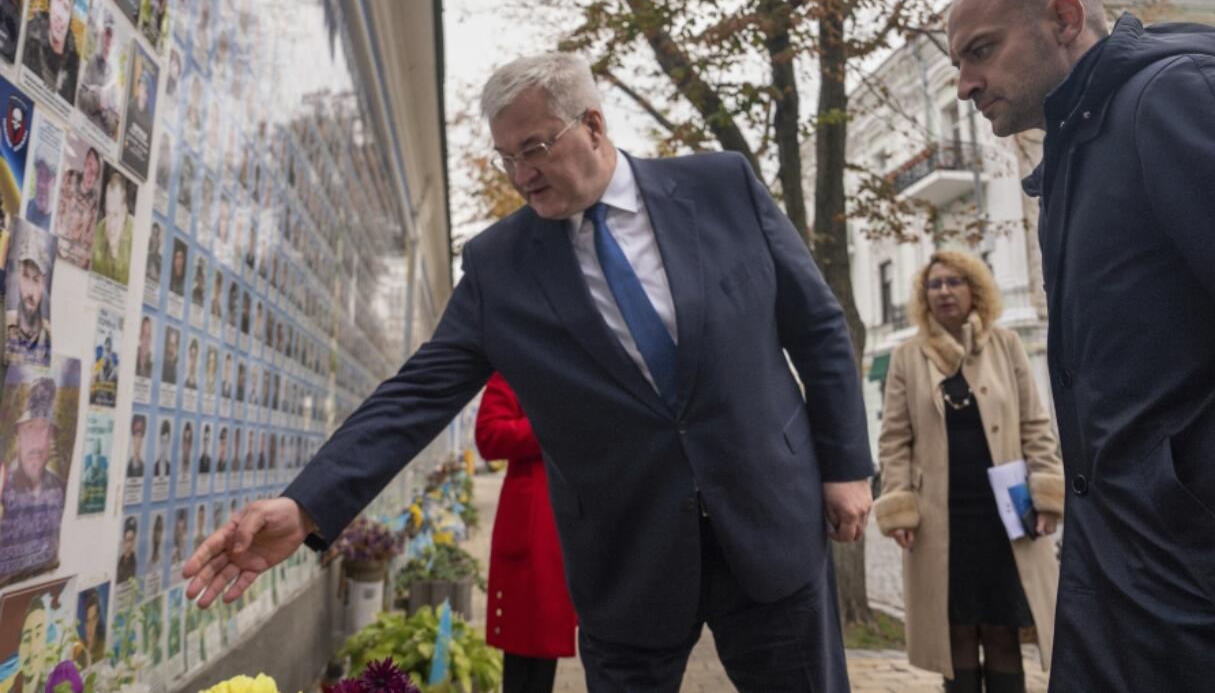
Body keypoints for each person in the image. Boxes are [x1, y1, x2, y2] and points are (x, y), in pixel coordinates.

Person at [186, 52, 873, 691]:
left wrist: (845, 464)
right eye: (506, 157)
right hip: (627, 558)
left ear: (594, 126)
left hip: (769, 518)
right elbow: (418, 393)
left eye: (535, 149)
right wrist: (307, 503)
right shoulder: (498, 266)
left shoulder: (721, 185)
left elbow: (816, 324)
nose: (520, 176)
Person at [946, 0, 1215, 689]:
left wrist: (1188, 501)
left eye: (981, 50)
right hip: (1121, 577)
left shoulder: (1173, 98)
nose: (967, 83)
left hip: (1194, 587)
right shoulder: (1076, 148)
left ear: (1064, 18)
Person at [874, 251, 1063, 692]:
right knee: (955, 631)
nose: (943, 291)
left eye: (954, 281)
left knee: (1002, 630)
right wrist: (900, 506)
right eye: (934, 284)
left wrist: (1047, 493)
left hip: (1005, 519)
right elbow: (894, 440)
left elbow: (1036, 425)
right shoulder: (907, 357)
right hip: (943, 521)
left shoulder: (1006, 345)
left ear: (974, 289)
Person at [475, 373, 577, 693]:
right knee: (526, 644)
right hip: (536, 528)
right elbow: (489, 435)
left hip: (584, 521)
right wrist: (548, 427)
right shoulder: (513, 367)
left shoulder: (587, 365)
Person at [0, 378, 64, 575]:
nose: (37, 442)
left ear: (51, 437)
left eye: (44, 429)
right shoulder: (3, 485)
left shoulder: (59, 487)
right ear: (17, 435)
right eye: (29, 428)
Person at [23, 0, 80, 101]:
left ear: (71, 15)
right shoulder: (29, 38)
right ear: (49, 0)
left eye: (66, 7)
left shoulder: (74, 65)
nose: (59, 14)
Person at [5, 227, 52, 365]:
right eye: (25, 276)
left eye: (36, 280)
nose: (30, 291)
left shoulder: (48, 338)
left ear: (43, 283)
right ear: (18, 275)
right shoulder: (5, 325)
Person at [77, 8, 121, 136]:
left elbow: (114, 124)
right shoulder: (93, 62)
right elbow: (81, 99)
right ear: (102, 35)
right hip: (85, 132)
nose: (109, 38)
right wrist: (99, 98)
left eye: (112, 34)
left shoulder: (113, 75)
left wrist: (104, 108)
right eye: (107, 33)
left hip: (101, 139)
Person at [91, 171, 133, 284]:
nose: (110, 224)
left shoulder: (136, 234)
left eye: (116, 215)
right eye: (108, 213)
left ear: (124, 212)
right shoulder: (99, 230)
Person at [26, 158, 56, 231]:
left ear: (55, 181)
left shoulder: (56, 225)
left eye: (47, 176)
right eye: (39, 174)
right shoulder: (25, 206)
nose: (41, 183)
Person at [116, 516, 138, 584]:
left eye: (132, 540)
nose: (130, 544)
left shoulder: (135, 564)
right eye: (128, 540)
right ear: (123, 541)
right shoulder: (118, 563)